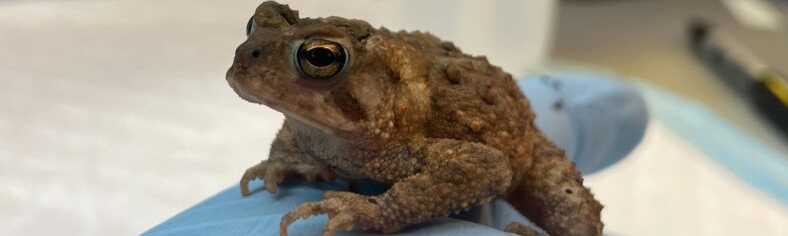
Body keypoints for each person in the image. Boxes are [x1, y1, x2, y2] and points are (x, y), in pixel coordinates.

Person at [143, 73, 648, 235]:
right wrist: (284, 158)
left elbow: (489, 165)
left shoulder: (395, 139)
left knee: (575, 223)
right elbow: (301, 122)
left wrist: (381, 211)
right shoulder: (323, 121)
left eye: (318, 60)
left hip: (511, 135)